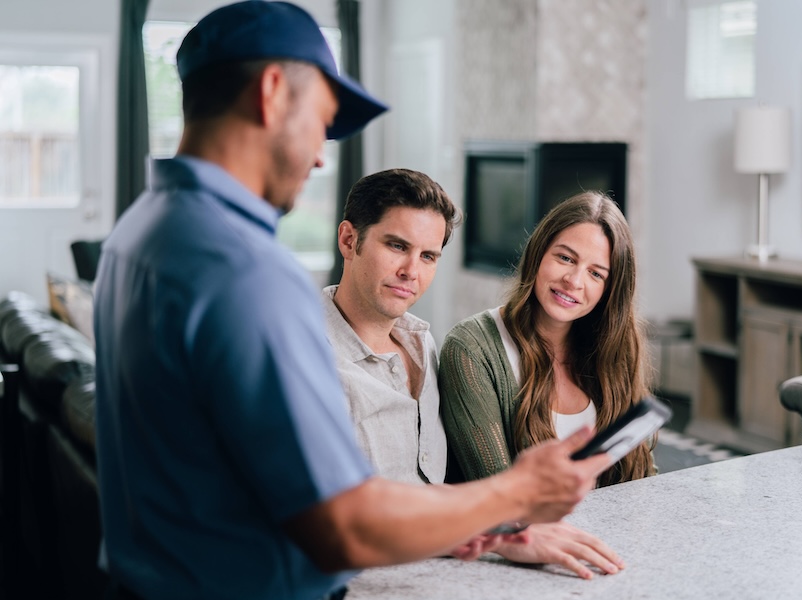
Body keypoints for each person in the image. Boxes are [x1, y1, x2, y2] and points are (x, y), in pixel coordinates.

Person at [92, 3, 613, 599]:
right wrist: (517, 494)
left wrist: (483, 523)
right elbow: (342, 522)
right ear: (270, 92)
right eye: (320, 123)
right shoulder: (243, 269)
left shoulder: (140, 232)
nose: (319, 156)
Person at [323, 169, 626, 579]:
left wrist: (494, 531)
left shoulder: (422, 346)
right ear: (348, 240)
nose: (411, 271)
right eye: (397, 246)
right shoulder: (308, 360)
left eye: (428, 256)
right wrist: (501, 529)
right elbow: (336, 520)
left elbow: (427, 489)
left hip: (440, 566)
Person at [439, 191, 656, 490]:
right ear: (538, 253)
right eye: (565, 258)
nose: (574, 281)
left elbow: (642, 476)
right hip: (525, 536)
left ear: (610, 291)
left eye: (596, 273)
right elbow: (499, 497)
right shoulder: (471, 348)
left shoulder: (614, 350)